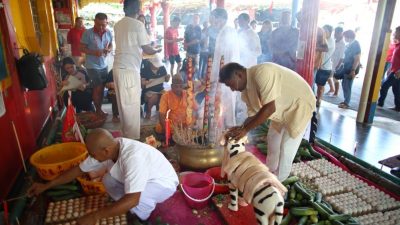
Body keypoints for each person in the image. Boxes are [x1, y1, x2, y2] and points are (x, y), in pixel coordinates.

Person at [27, 128, 179, 224]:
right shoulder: (111, 146)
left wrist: (94, 217)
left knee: (138, 198)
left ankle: (141, 217)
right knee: (108, 180)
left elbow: (133, 199)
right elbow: (78, 170)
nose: (92, 158)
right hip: (144, 176)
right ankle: (123, 207)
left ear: (105, 151)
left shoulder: (133, 159)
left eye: (93, 155)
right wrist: (45, 186)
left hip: (161, 182)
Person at [220, 62, 316, 181]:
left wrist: (245, 130)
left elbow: (270, 108)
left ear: (238, 74)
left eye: (231, 85)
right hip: (283, 109)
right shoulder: (245, 92)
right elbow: (253, 115)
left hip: (300, 104)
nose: (232, 89)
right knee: (273, 139)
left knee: (286, 148)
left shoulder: (262, 72)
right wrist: (241, 128)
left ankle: (279, 183)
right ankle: (269, 172)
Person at [113, 0, 161, 140]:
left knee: (124, 107)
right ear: (138, 9)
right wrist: (156, 50)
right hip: (129, 69)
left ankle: (126, 138)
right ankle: (133, 142)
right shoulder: (138, 25)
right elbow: (146, 48)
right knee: (131, 107)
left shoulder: (118, 24)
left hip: (118, 68)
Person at [209, 8, 240, 139]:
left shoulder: (229, 31)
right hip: (222, 75)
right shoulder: (222, 32)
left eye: (213, 18)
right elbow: (217, 58)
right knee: (221, 103)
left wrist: (227, 76)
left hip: (229, 75)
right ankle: (222, 131)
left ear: (220, 18)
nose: (212, 21)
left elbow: (231, 56)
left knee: (229, 105)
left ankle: (231, 133)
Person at [80, 13, 113, 117]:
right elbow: (82, 48)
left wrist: (109, 49)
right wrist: (95, 52)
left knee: (102, 88)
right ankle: (98, 110)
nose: (101, 27)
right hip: (92, 65)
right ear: (94, 21)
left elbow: (111, 44)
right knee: (97, 88)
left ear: (107, 23)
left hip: (104, 64)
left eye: (104, 25)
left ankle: (99, 109)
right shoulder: (87, 33)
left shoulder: (108, 32)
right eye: (99, 24)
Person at [335, 30, 361, 109]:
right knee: (345, 84)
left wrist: (353, 70)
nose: (344, 38)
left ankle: (346, 102)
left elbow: (357, 58)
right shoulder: (351, 44)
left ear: (349, 37)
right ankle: (346, 101)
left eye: (345, 36)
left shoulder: (355, 45)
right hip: (347, 68)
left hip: (350, 69)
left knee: (347, 85)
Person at [378, 26, 400, 112]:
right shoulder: (397, 44)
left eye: (396, 32)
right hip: (394, 70)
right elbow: (395, 58)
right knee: (396, 89)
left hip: (397, 72)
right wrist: (390, 68)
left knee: (384, 85)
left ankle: (380, 102)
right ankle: (398, 106)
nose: (395, 34)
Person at [140, 54, 169, 119]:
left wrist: (167, 78)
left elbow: (166, 80)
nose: (157, 66)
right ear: (150, 63)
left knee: (167, 96)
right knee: (153, 97)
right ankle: (148, 112)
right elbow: (142, 86)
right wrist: (144, 83)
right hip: (149, 91)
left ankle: (163, 112)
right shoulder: (144, 70)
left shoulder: (162, 68)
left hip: (160, 89)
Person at [315, 25, 335, 107]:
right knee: (317, 84)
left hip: (325, 67)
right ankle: (317, 98)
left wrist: (311, 45)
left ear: (330, 32)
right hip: (318, 65)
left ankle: (319, 100)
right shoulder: (323, 39)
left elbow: (324, 48)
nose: (324, 32)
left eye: (325, 31)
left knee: (320, 85)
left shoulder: (330, 41)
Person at [330, 27, 346, 97]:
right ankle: (332, 89)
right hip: (331, 62)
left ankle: (336, 92)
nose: (335, 34)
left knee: (335, 78)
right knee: (330, 77)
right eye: (335, 32)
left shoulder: (343, 44)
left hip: (337, 63)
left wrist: (338, 65)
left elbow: (342, 56)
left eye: (336, 33)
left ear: (341, 34)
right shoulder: (334, 41)